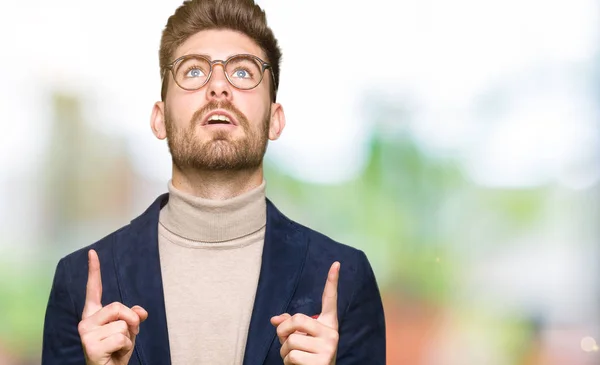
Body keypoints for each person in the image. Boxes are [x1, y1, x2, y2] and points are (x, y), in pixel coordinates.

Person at [41, 0, 386, 364]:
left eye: (242, 72)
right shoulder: (78, 282)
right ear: (159, 119)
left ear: (274, 119)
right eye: (192, 72)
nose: (218, 87)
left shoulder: (346, 279)